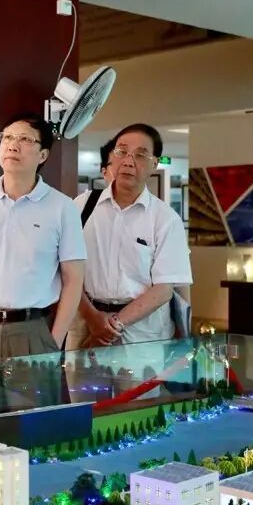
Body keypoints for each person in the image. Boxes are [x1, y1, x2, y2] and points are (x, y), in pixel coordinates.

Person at [0, 113, 85, 413]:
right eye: (7, 137)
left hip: (31, 331)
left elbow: (73, 279)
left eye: (25, 139)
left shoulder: (62, 208)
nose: (12, 145)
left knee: (31, 423)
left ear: (43, 155)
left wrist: (54, 340)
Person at [68, 124, 192, 350]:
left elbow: (164, 289)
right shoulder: (81, 206)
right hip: (85, 322)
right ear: (111, 157)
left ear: (155, 164)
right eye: (121, 151)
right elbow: (67, 270)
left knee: (138, 376)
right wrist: (93, 319)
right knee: (80, 375)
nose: (128, 161)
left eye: (140, 155)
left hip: (142, 334)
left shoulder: (165, 219)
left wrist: (111, 326)